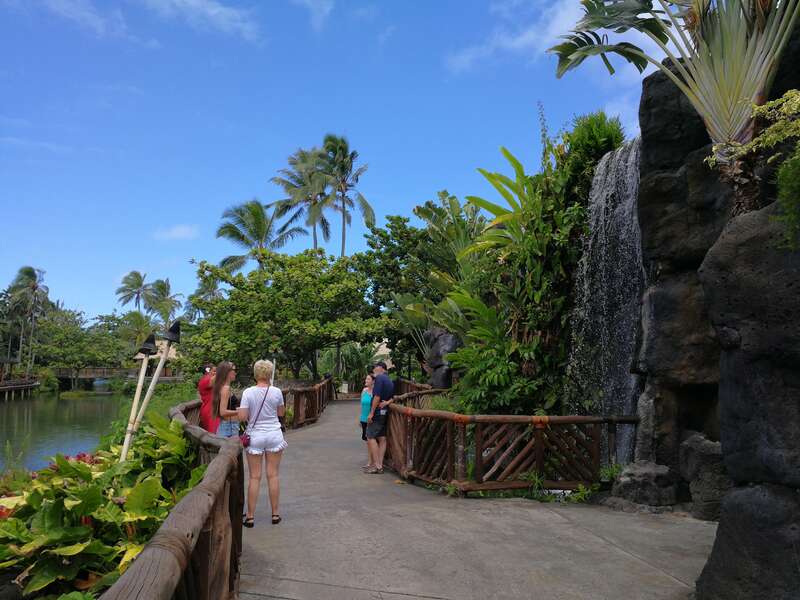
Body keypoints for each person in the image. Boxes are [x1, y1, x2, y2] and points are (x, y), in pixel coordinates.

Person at [238, 359, 286, 527]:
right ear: (269, 374)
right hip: (274, 433)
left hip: (255, 435)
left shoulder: (248, 392)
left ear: (256, 373)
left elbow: (243, 417)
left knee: (254, 477)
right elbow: (281, 413)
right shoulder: (277, 392)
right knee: (272, 475)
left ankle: (250, 516)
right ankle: (275, 514)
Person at [365, 361, 394, 474]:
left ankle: (377, 466)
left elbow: (377, 396)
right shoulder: (389, 380)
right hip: (384, 411)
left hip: (377, 412)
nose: (374, 370)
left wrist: (371, 412)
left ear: (381, 368)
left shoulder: (380, 378)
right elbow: (393, 397)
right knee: (382, 438)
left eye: (375, 367)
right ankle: (380, 463)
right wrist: (387, 403)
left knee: (370, 436)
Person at [212, 361, 239, 438]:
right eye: (234, 370)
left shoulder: (222, 386)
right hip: (229, 427)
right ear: (226, 372)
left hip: (228, 426)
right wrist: (239, 412)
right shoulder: (226, 389)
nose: (236, 373)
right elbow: (223, 412)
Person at [360, 373, 375, 470]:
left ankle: (372, 461)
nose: (366, 381)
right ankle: (370, 461)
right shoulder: (364, 391)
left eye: (368, 379)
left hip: (371, 419)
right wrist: (360, 418)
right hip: (363, 418)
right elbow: (362, 405)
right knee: (367, 441)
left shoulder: (375, 393)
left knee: (371, 441)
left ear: (373, 381)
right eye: (366, 379)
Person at [197, 364, 219, 433]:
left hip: (213, 410)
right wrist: (223, 370)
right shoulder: (205, 380)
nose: (216, 373)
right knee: (213, 435)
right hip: (210, 412)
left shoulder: (212, 381)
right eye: (214, 371)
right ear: (207, 371)